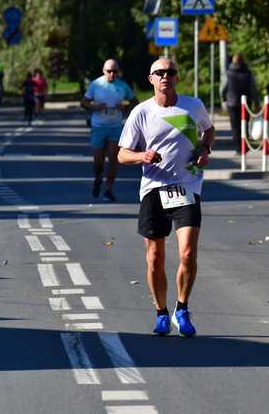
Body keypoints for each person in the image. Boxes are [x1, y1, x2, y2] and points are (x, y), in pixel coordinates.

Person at [118, 58, 215, 337]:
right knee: (154, 258)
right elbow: (122, 153)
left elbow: (208, 130)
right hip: (154, 189)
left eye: (171, 72)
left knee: (187, 252)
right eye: (159, 73)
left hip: (187, 185)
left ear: (176, 77)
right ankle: (161, 313)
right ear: (151, 79)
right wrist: (141, 155)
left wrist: (205, 149)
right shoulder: (141, 113)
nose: (165, 77)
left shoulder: (193, 106)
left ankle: (181, 309)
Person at [81, 59, 137, 201]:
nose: (112, 74)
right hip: (98, 127)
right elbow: (84, 102)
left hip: (115, 127)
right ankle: (98, 178)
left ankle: (109, 188)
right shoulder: (96, 84)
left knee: (113, 158)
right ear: (103, 70)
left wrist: (124, 107)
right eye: (109, 71)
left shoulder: (122, 86)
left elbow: (134, 102)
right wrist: (96, 107)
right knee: (98, 161)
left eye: (114, 71)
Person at [221, 53, 259, 154]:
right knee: (245, 124)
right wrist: (256, 103)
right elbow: (253, 89)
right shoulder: (249, 73)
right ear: (243, 61)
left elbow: (224, 88)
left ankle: (238, 148)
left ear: (233, 61)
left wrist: (223, 98)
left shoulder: (228, 73)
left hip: (232, 103)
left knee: (235, 127)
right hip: (246, 103)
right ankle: (244, 146)